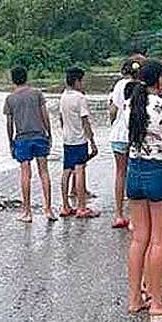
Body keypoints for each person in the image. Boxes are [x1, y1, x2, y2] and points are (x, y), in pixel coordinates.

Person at [125, 61, 162, 316]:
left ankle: (135, 299)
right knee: (159, 242)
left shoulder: (130, 105)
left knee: (140, 239)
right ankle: (158, 302)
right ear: (160, 81)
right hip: (159, 173)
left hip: (134, 172)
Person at [4, 66, 56, 223]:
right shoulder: (37, 93)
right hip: (39, 135)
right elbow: (44, 114)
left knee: (25, 174)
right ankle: (48, 209)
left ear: (13, 79)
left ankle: (27, 212)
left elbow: (9, 123)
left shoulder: (10, 99)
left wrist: (10, 142)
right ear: (26, 77)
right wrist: (49, 133)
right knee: (44, 172)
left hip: (22, 138)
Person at [59, 67, 99, 218]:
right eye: (82, 81)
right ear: (76, 81)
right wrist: (92, 141)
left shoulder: (63, 96)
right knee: (80, 170)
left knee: (66, 171)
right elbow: (85, 121)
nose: (83, 84)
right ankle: (82, 208)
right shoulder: (80, 98)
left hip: (67, 139)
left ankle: (65, 206)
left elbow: (61, 119)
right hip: (79, 140)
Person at [107, 58, 142, 229]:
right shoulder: (140, 86)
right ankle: (134, 217)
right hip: (134, 134)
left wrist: (113, 122)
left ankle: (119, 215)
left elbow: (113, 109)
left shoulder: (118, 85)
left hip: (118, 134)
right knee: (134, 172)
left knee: (120, 173)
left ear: (123, 71)